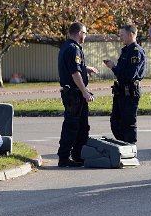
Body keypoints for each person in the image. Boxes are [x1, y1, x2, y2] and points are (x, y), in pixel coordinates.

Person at [57, 22, 98, 167]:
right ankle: (64, 157)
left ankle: (78, 155)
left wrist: (86, 69)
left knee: (82, 127)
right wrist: (85, 91)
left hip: (74, 93)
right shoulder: (73, 49)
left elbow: (75, 67)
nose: (85, 36)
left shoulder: (67, 47)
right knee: (72, 126)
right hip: (74, 94)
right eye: (85, 33)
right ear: (79, 33)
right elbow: (75, 73)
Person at [104, 23, 146, 144]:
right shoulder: (126, 51)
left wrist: (113, 67)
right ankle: (124, 147)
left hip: (130, 92)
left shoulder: (136, 51)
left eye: (122, 35)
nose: (120, 38)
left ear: (131, 34)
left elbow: (130, 74)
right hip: (121, 91)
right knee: (115, 123)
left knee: (128, 123)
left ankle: (130, 149)